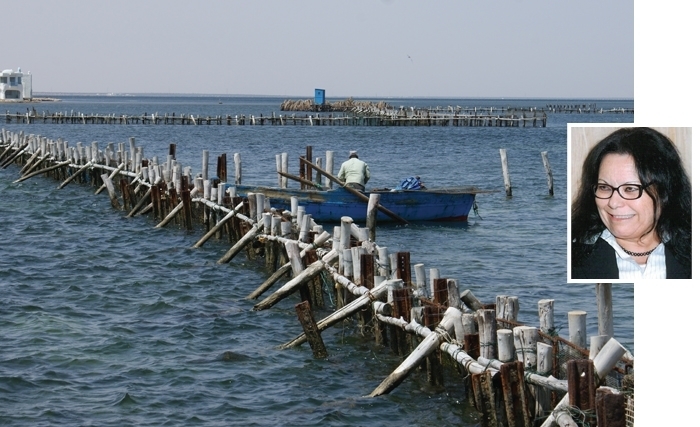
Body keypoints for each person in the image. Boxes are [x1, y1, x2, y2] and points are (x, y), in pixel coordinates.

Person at [571, 127, 691, 279]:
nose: (613, 203)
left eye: (630, 188)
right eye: (604, 187)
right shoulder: (572, 260)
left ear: (664, 192)